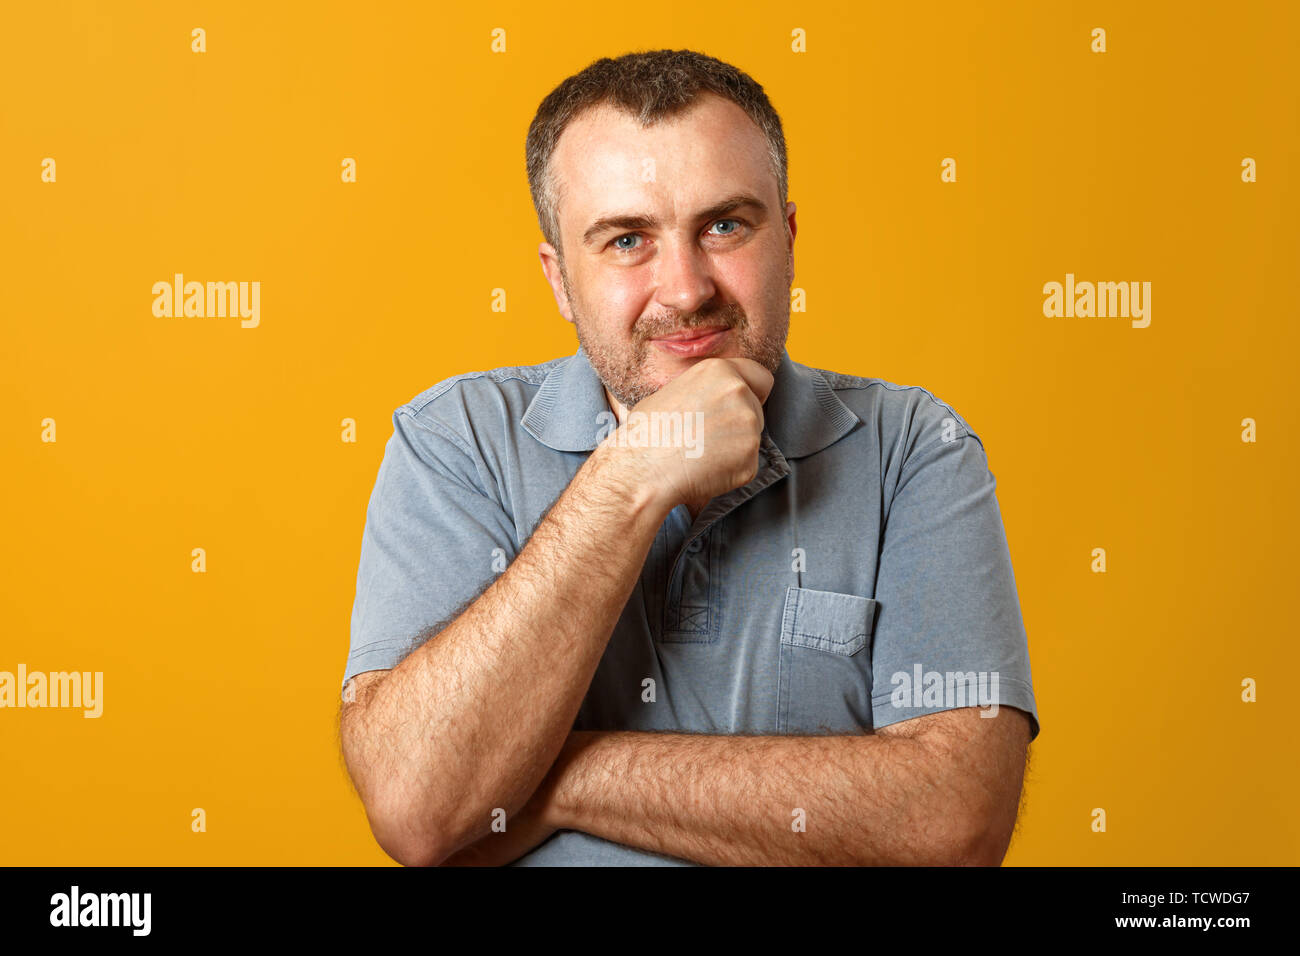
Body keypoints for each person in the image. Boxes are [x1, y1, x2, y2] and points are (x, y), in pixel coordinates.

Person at [337, 49, 1040, 867]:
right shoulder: (453, 441)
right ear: (560, 280)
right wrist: (634, 474)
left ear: (788, 238)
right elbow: (417, 806)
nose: (686, 289)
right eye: (628, 239)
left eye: (725, 226)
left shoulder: (915, 448)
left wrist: (553, 775)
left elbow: (952, 823)